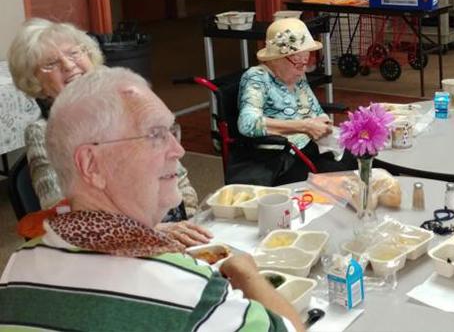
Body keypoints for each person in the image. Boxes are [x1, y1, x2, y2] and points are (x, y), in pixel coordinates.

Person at [0, 67, 304, 331]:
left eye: (172, 131)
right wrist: (246, 274)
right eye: (155, 135)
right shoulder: (185, 290)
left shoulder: (16, 269)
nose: (178, 150)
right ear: (92, 166)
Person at [7, 18, 209, 245]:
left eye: (74, 53)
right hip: (114, 247)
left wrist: (190, 221)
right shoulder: (44, 133)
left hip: (176, 234)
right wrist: (155, 231)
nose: (68, 65)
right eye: (51, 64)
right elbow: (65, 211)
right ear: (35, 83)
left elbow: (178, 175)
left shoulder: (133, 108)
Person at [236, 18, 356, 186]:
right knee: (339, 178)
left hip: (310, 147)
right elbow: (247, 123)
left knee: (356, 158)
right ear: (278, 58)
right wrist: (304, 126)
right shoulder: (257, 78)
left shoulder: (297, 74)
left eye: (305, 63)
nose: (302, 71)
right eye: (298, 64)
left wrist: (323, 122)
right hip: (280, 158)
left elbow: (315, 110)